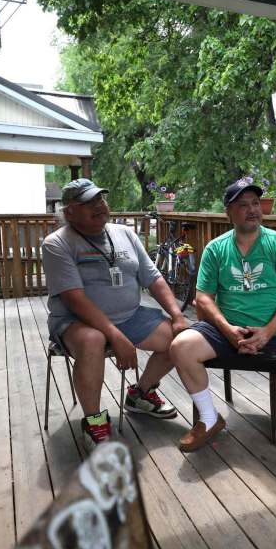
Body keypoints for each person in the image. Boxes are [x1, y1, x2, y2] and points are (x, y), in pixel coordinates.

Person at [41, 178, 189, 449]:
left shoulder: (124, 234)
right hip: (76, 321)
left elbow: (153, 277)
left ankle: (140, 394)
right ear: (69, 211)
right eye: (88, 203)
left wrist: (177, 315)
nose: (99, 206)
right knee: (92, 341)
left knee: (180, 339)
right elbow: (74, 299)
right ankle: (94, 420)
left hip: (130, 315)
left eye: (100, 199)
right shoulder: (57, 243)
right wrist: (114, 334)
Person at [169, 178, 276, 452]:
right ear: (228, 212)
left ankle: (260, 336)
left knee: (265, 332)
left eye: (255, 203)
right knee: (180, 347)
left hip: (273, 332)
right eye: (243, 205)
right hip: (225, 329)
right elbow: (203, 297)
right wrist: (226, 329)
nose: (252, 209)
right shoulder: (216, 248)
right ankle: (209, 419)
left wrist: (266, 332)